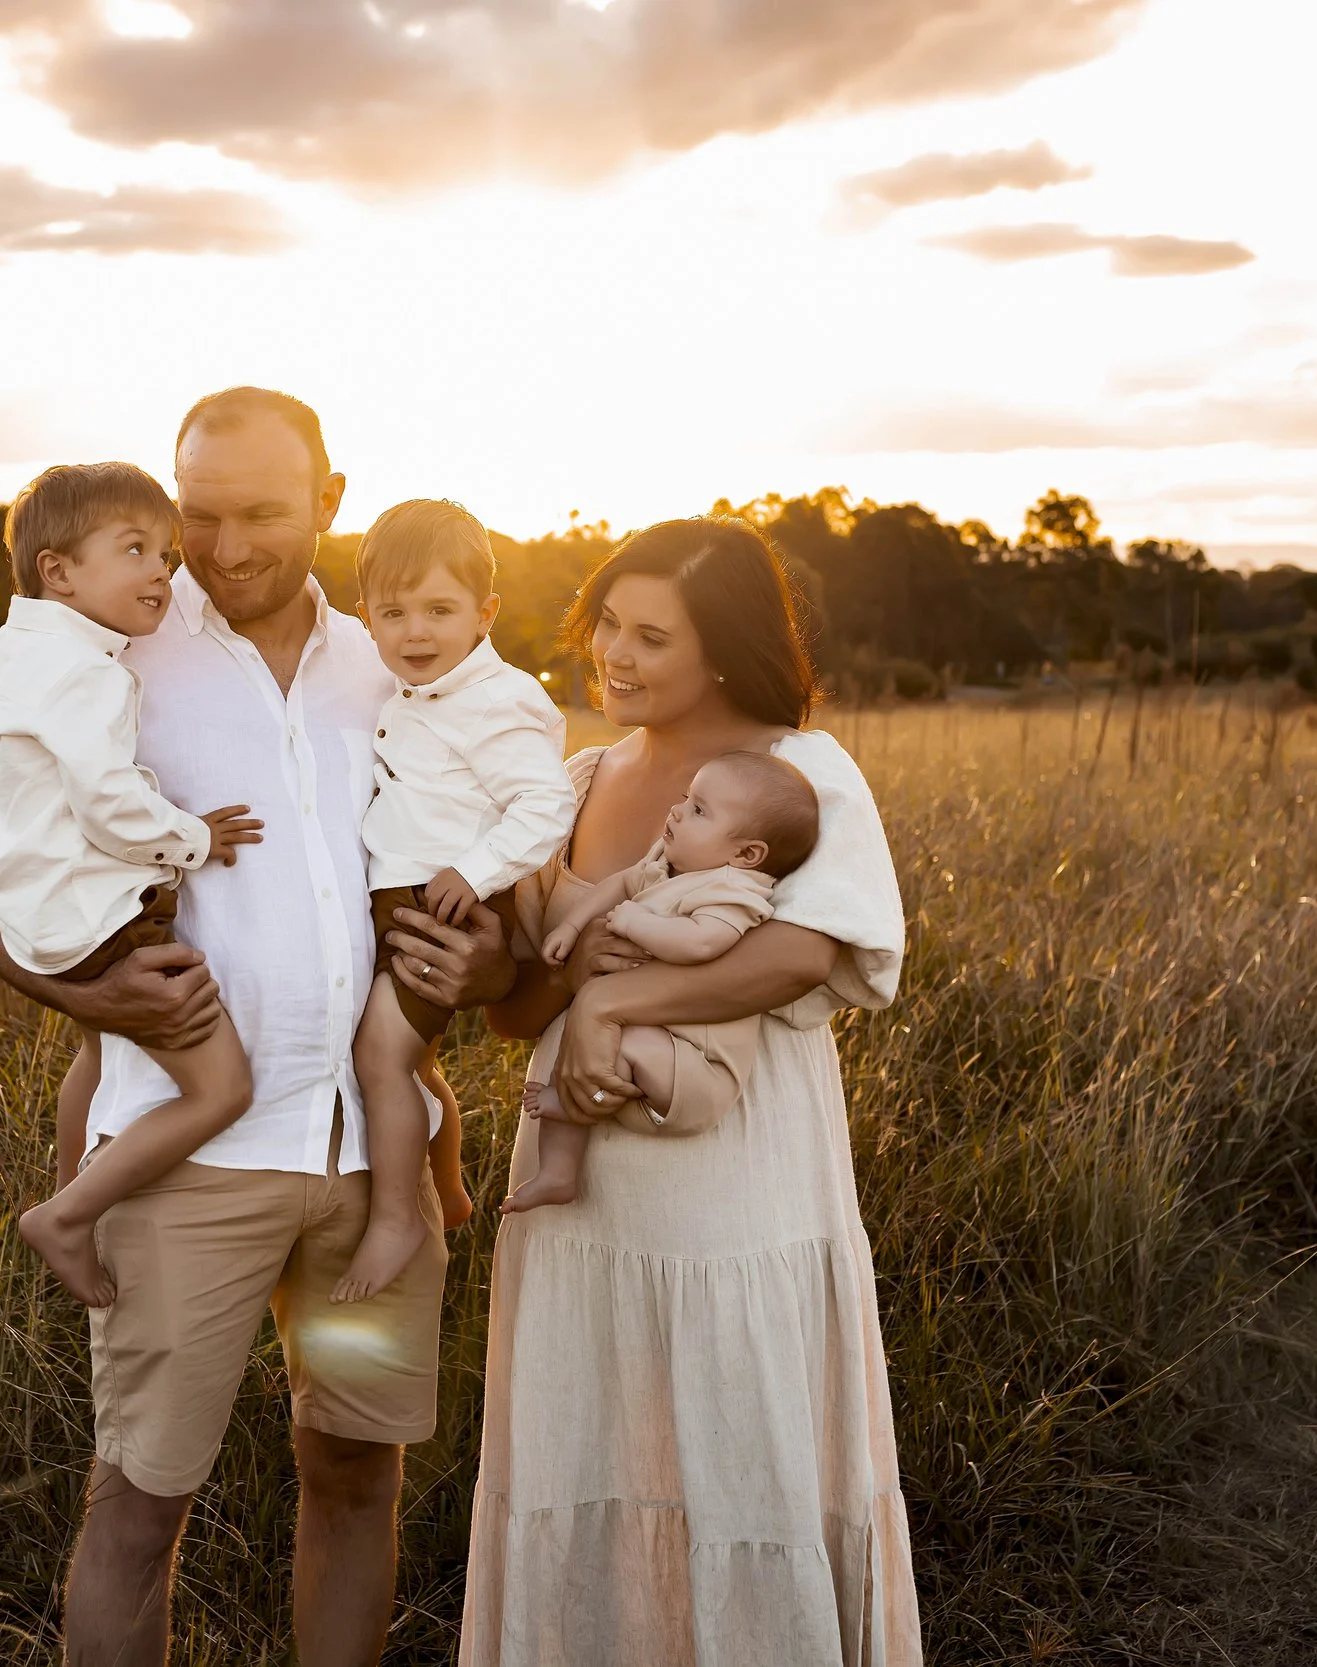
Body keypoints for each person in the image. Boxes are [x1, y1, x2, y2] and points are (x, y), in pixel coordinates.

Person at [0, 389, 514, 1667]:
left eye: (262, 512)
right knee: (140, 1501)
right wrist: (80, 991)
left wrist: (492, 951)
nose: (219, 546)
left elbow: (495, 850)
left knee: (355, 1472)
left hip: (368, 1171)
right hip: (185, 1163)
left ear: (330, 499)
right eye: (195, 513)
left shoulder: (404, 653)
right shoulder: (109, 647)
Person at [461, 518, 921, 1665]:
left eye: (650, 635)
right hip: (582, 1188)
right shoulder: (574, 779)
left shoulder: (799, 771)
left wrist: (617, 1008)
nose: (612, 652)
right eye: (606, 622)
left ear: (723, 650)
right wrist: (519, 973)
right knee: (589, 1447)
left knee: (737, 1447)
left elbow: (804, 955)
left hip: (735, 1180)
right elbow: (524, 1010)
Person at [0, 461, 265, 1308]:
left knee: (98, 1052)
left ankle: (70, 1205)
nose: (161, 570)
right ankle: (67, 1213)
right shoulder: (82, 671)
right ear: (58, 571)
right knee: (221, 1087)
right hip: (99, 915)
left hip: (41, 909)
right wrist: (193, 838)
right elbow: (106, 801)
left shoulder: (16, 656)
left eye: (165, 552)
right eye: (133, 549)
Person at [339, 498, 572, 1302]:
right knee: (415, 1059)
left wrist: (473, 871)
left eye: (440, 609)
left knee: (382, 1055)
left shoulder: (496, 699)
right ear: (364, 616)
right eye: (392, 612)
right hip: (407, 891)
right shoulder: (417, 691)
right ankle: (449, 1183)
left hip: (441, 903)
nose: (415, 632)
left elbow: (545, 805)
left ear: (486, 612)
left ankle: (398, 1215)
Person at [503, 749, 819, 1215]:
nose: (677, 811)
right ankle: (557, 1174)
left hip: (694, 1065)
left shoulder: (732, 891)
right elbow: (618, 885)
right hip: (649, 1041)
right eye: (686, 797)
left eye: (698, 810)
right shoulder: (665, 867)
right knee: (582, 1053)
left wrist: (633, 924)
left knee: (609, 1044)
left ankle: (567, 1116)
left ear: (746, 854)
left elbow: (700, 943)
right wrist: (572, 928)